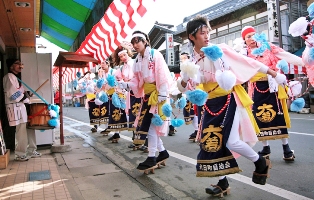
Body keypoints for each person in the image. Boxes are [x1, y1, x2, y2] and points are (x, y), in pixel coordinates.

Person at [177, 16, 286, 197]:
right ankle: (222, 182)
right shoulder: (191, 62)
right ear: (192, 36)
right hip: (209, 104)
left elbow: (248, 62)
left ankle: (260, 161)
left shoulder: (220, 50)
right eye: (202, 33)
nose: (206, 36)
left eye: (207, 32)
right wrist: (185, 78)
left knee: (230, 141)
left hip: (229, 99)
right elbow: (182, 88)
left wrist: (274, 73)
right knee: (210, 143)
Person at [241, 26, 304, 161]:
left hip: (272, 86)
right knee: (260, 117)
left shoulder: (268, 47)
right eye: (248, 36)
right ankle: (265, 147)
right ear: (244, 40)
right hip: (255, 88)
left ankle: (286, 149)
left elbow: (285, 55)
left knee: (278, 115)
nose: (251, 38)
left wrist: (305, 62)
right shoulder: (243, 54)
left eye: (253, 35)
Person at [119, 30, 172, 172]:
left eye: (138, 41)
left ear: (145, 41)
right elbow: (137, 80)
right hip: (148, 96)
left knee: (151, 126)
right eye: (133, 42)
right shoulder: (137, 60)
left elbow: (162, 74)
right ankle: (162, 152)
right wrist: (128, 85)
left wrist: (162, 93)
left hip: (157, 94)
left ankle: (151, 156)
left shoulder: (155, 55)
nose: (135, 45)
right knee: (149, 126)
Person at [3, 58, 41, 161]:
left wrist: (27, 95)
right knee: (21, 131)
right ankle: (20, 154)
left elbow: (20, 92)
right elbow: (13, 93)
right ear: (11, 66)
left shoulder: (16, 77)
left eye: (20, 63)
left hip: (20, 107)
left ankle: (31, 150)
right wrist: (25, 99)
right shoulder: (9, 76)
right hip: (15, 107)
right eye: (17, 64)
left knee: (27, 129)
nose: (20, 65)